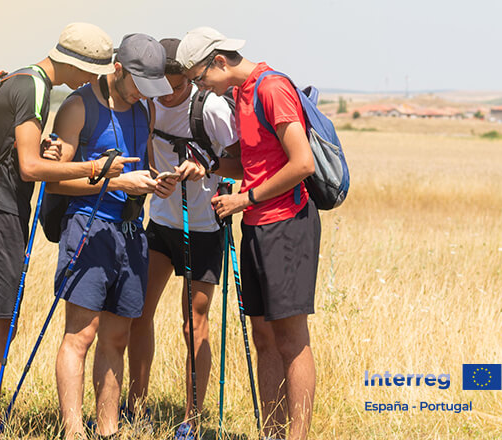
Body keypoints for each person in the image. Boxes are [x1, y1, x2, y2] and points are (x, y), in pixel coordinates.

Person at [0, 22, 138, 440]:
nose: (88, 82)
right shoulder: (35, 89)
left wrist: (49, 153)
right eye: (89, 71)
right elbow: (29, 169)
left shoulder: (23, 78)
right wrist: (94, 168)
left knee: (0, 322)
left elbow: (20, 152)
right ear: (77, 63)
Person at [178, 27, 321, 440]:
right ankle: (271, 433)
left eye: (199, 79)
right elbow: (253, 162)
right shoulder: (241, 95)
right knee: (263, 336)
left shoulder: (272, 88)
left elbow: (302, 164)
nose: (199, 87)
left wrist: (245, 199)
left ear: (219, 61)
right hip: (258, 225)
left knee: (291, 338)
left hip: (287, 223)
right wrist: (208, 167)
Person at [47, 33, 178, 440]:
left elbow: (143, 164)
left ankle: (108, 429)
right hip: (88, 227)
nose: (144, 94)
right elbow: (55, 183)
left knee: (118, 336)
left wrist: (157, 182)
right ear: (117, 70)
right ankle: (73, 431)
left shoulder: (145, 110)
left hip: (130, 233)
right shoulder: (77, 107)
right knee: (81, 335)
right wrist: (117, 181)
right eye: (139, 83)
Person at [125, 37, 240, 439]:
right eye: (163, 86)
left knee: (194, 325)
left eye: (177, 86)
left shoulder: (208, 107)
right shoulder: (149, 103)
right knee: (138, 313)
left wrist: (204, 164)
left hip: (204, 226)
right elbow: (149, 151)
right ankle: (134, 410)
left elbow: (242, 161)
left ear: (189, 79)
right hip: (161, 222)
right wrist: (159, 180)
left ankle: (191, 420)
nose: (169, 94)